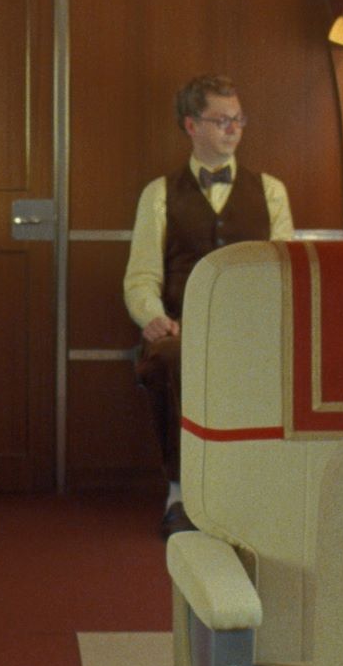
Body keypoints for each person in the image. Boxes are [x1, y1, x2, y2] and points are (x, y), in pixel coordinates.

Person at [123, 74, 293, 534]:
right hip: (182, 327)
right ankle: (179, 493)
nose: (233, 129)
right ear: (191, 125)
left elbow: (285, 271)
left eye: (238, 119)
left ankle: (259, 494)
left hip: (253, 327)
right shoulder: (158, 194)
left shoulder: (271, 191)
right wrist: (154, 318)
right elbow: (141, 276)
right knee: (169, 359)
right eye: (221, 120)